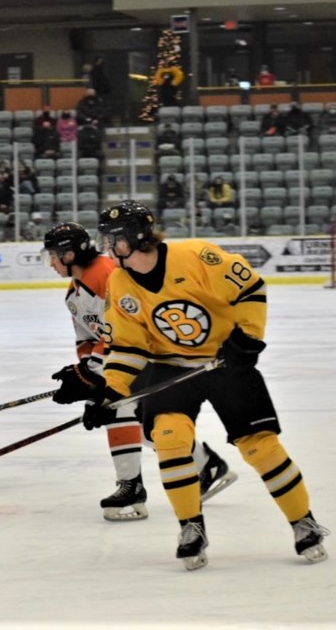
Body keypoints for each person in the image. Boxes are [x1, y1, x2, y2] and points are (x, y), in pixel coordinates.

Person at [92, 200, 329, 569]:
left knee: (260, 447)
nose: (109, 248)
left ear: (138, 237)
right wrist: (112, 392)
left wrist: (247, 339)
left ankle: (304, 521)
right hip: (170, 367)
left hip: (225, 360)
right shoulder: (119, 282)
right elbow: (127, 345)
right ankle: (191, 527)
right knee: (169, 439)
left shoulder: (197, 256)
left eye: (115, 240)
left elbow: (250, 289)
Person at [42, 222, 236, 521]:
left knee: (115, 410)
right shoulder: (74, 294)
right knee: (145, 424)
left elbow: (124, 328)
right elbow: (87, 339)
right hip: (124, 360)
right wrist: (85, 369)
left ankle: (132, 488)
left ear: (69, 254)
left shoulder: (106, 275)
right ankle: (206, 464)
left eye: (53, 255)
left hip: (148, 355)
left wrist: (92, 370)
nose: (51, 263)